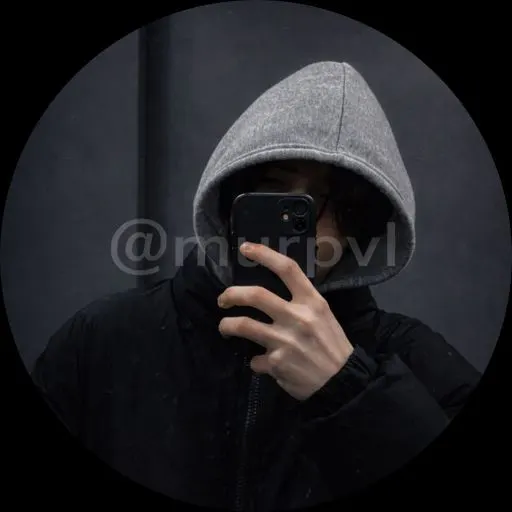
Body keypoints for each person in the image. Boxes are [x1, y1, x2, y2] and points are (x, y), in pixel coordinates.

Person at [30, 61, 481, 511]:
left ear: (359, 231)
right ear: (230, 201)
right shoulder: (102, 342)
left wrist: (349, 390)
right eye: (274, 189)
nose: (303, 224)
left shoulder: (415, 361)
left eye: (337, 205)